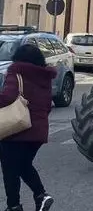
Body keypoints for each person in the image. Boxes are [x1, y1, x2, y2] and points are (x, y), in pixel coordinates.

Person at [0, 44, 55, 211]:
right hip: (38, 132)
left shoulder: (16, 72)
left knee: (10, 168)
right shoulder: (44, 77)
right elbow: (48, 105)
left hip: (16, 129)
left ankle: (14, 206)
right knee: (22, 165)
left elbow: (7, 98)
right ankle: (41, 196)